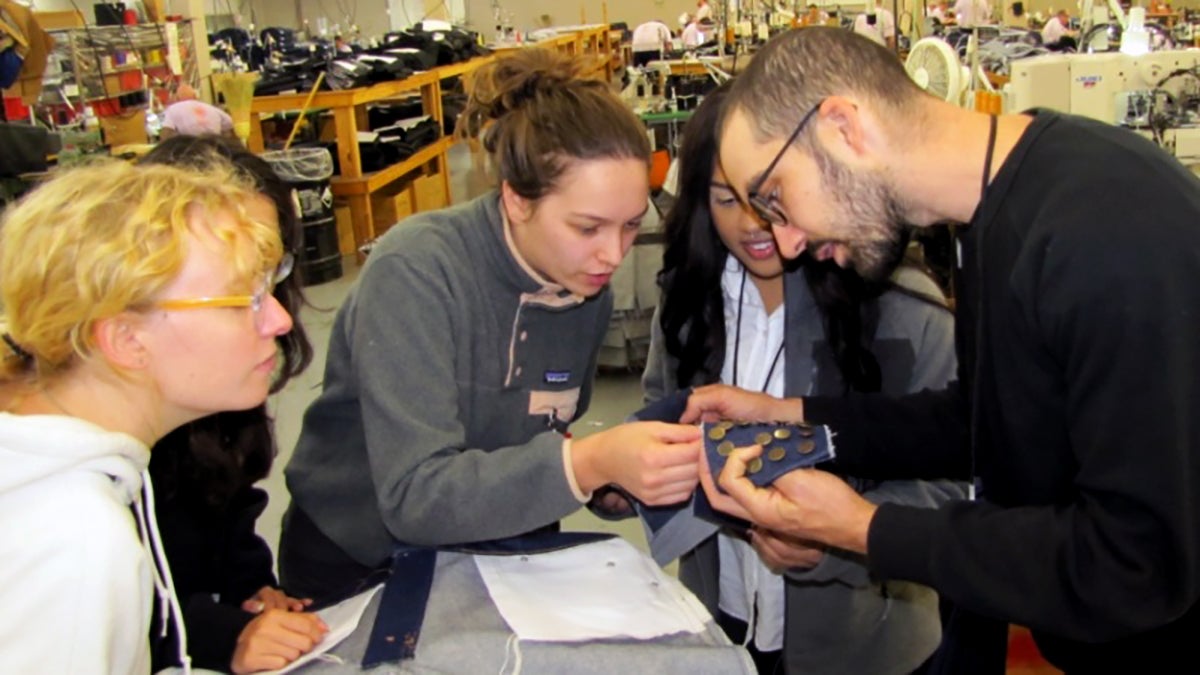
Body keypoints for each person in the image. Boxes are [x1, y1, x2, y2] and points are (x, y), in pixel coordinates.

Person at [680, 26, 1200, 673]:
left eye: (777, 199)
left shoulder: (1105, 230)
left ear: (843, 127)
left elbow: (1136, 560)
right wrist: (793, 416)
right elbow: (978, 421)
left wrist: (863, 528)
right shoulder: (993, 220)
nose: (785, 243)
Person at [278, 49, 702, 602]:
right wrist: (584, 462)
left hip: (494, 553)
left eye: (628, 226)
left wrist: (605, 478)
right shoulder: (416, 273)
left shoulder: (583, 289)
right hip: (362, 561)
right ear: (516, 200)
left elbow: (540, 431)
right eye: (588, 227)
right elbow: (413, 497)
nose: (612, 254)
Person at [645, 81, 963, 675]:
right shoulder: (688, 300)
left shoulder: (905, 309)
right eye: (723, 199)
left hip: (866, 646)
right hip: (723, 621)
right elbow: (663, 410)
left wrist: (835, 540)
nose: (752, 224)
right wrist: (630, 474)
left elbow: (950, 489)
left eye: (767, 197)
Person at [0, 160, 301, 673]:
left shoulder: (79, 469)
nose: (279, 318)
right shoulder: (75, 542)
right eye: (242, 301)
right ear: (125, 339)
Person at [139, 136, 327, 674]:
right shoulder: (78, 497)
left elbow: (229, 499)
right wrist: (221, 634)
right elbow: (126, 615)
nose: (278, 317)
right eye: (238, 281)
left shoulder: (218, 382)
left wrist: (252, 590)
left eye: (269, 271)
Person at [160, 83, 235, 139]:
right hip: (213, 147)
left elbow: (166, 134)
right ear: (195, 97)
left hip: (190, 150)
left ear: (177, 98)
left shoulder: (173, 109)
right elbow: (229, 124)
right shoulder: (212, 108)